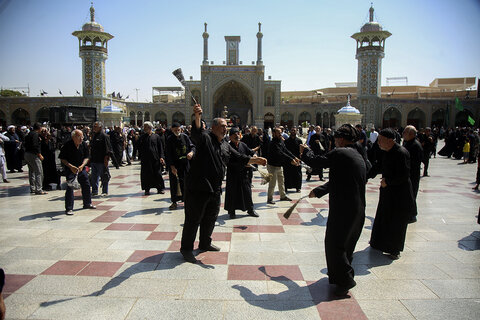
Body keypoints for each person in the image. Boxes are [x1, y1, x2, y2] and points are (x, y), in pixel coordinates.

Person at [180, 104, 267, 263]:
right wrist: (197, 117)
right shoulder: (206, 138)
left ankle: (205, 243)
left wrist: (256, 160)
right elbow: (197, 133)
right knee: (193, 219)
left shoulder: (225, 144)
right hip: (198, 187)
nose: (225, 129)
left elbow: (239, 157)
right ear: (213, 127)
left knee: (211, 217)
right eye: (222, 126)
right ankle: (186, 249)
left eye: (226, 126)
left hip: (215, 188)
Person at [300, 124, 367, 296]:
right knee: (346, 244)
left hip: (344, 208)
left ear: (341, 139)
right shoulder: (358, 153)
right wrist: (320, 190)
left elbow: (316, 162)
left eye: (336, 138)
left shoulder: (341, 152)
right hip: (358, 208)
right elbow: (342, 179)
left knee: (334, 244)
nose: (334, 141)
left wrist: (305, 150)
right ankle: (341, 277)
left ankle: (345, 280)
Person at [369, 128, 416, 260]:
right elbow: (378, 166)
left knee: (397, 222)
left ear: (390, 140)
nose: (378, 142)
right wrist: (365, 176)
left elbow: (404, 175)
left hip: (400, 194)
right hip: (387, 191)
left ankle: (395, 249)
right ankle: (378, 243)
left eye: (380, 140)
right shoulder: (386, 151)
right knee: (383, 216)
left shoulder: (401, 153)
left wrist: (388, 182)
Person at [59, 129, 96, 215]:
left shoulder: (83, 144)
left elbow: (87, 157)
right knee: (70, 187)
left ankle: (87, 203)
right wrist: (71, 166)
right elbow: (62, 158)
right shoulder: (67, 145)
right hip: (71, 169)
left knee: (86, 185)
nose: (81, 138)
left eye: (82, 136)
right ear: (73, 137)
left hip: (81, 168)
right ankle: (69, 208)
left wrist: (82, 165)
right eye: (79, 136)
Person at [224, 127, 258, 219]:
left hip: (244, 174)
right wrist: (244, 164)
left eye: (238, 134)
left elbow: (250, 152)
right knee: (233, 193)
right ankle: (232, 212)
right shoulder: (227, 146)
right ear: (230, 137)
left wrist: (254, 155)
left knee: (247, 191)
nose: (237, 136)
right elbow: (229, 162)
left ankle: (250, 210)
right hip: (233, 174)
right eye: (234, 135)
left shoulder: (243, 144)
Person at [165, 122, 195, 210]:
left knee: (186, 184)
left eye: (178, 129)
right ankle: (174, 202)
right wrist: (171, 166)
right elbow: (168, 154)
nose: (177, 131)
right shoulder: (170, 139)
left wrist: (191, 153)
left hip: (185, 165)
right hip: (175, 166)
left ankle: (186, 201)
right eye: (175, 130)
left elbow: (192, 147)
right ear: (172, 129)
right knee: (174, 184)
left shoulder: (185, 137)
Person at [266, 127, 299, 204]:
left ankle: (283, 196)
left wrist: (294, 157)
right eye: (278, 132)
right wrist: (291, 160)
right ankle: (269, 198)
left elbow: (285, 150)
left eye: (281, 132)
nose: (280, 134)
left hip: (279, 165)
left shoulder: (281, 140)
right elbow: (281, 153)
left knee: (281, 181)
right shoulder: (272, 143)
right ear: (274, 134)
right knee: (272, 183)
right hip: (272, 166)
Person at [402, 125, 423, 223]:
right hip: (408, 174)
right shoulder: (408, 143)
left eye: (405, 132)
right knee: (408, 195)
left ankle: (412, 215)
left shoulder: (415, 145)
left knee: (411, 194)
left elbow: (414, 162)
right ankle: (409, 213)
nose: (403, 134)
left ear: (411, 134)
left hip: (412, 175)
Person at [138, 121, 165, 195]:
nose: (144, 128)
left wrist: (161, 157)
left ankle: (160, 188)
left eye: (146, 127)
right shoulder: (142, 137)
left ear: (150, 127)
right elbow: (139, 147)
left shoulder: (156, 137)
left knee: (158, 174)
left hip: (155, 159)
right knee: (146, 175)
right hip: (146, 160)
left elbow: (160, 148)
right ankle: (147, 189)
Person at [90, 122, 113, 197]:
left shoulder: (104, 136)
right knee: (94, 177)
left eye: (95, 126)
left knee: (104, 176)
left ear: (100, 127)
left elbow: (108, 149)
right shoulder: (94, 135)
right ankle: (94, 191)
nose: (94, 128)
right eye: (93, 126)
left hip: (101, 160)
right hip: (94, 160)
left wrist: (106, 159)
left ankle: (105, 191)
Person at [24, 122, 46, 195]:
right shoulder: (35, 135)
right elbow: (35, 145)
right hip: (33, 155)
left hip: (27, 154)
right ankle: (39, 189)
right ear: (39, 128)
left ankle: (33, 188)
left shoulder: (29, 134)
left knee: (32, 171)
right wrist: (39, 154)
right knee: (39, 172)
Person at [283, 127, 302, 192]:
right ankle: (286, 187)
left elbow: (301, 150)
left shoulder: (299, 141)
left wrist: (299, 158)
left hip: (297, 159)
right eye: (292, 130)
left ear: (296, 132)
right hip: (288, 160)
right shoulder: (286, 141)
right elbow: (285, 151)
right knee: (287, 173)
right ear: (290, 132)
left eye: (294, 130)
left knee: (297, 174)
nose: (293, 131)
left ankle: (298, 187)